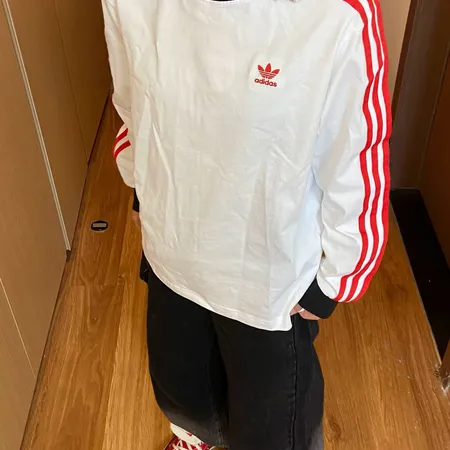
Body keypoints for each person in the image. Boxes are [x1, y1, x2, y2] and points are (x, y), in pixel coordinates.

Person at [101, 0, 391, 448]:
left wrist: (339, 276)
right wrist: (142, 184)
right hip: (173, 246)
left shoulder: (336, 15)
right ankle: (196, 439)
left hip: (265, 276)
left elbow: (355, 156)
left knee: (272, 418)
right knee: (183, 385)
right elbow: (131, 99)